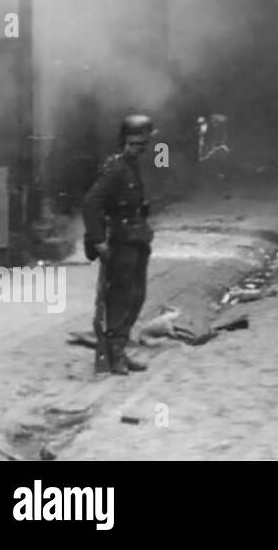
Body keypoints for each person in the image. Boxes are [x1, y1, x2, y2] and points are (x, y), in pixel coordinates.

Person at [83, 114, 156, 376]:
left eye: (142, 145)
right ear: (124, 141)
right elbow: (91, 203)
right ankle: (113, 355)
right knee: (121, 299)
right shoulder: (115, 168)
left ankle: (120, 350)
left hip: (136, 240)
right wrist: (98, 240)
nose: (138, 149)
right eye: (134, 144)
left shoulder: (131, 165)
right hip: (121, 243)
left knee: (137, 296)